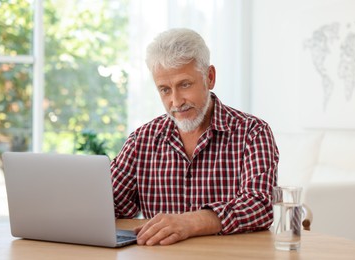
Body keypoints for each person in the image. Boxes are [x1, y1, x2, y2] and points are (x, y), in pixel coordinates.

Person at [110, 28, 279, 246]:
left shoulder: (253, 132)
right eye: (164, 90)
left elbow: (261, 205)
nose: (176, 101)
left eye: (185, 84)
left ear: (209, 77)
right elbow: (112, 204)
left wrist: (192, 222)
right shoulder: (141, 140)